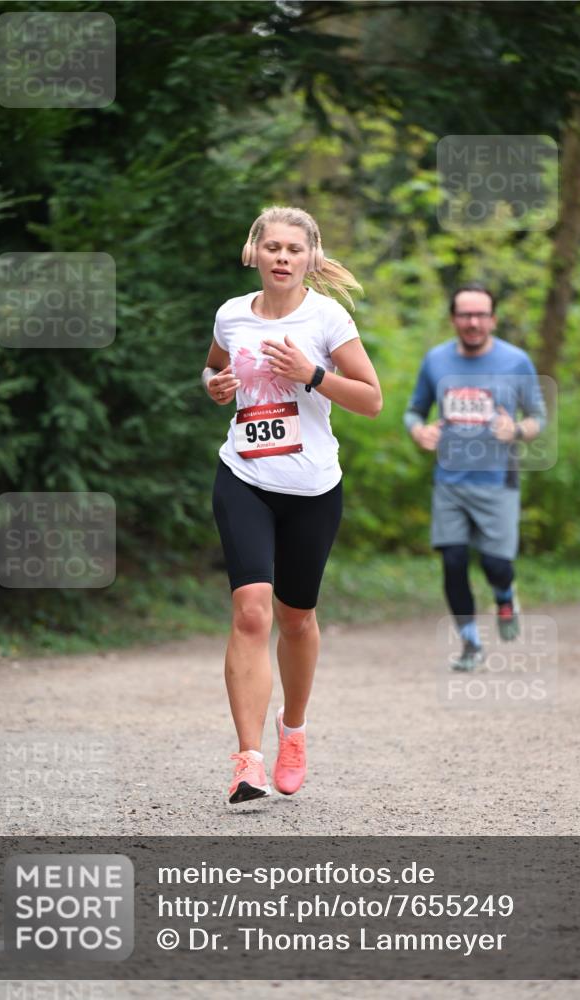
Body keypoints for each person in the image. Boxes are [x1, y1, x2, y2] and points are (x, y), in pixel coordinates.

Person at [202, 206, 382, 803]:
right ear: (254, 252)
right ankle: (248, 760)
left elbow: (371, 399)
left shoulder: (326, 318)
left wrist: (311, 375)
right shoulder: (232, 314)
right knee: (251, 610)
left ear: (310, 259)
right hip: (244, 476)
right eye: (272, 247)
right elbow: (213, 370)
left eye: (293, 250)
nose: (282, 257)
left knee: (296, 618)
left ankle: (294, 730)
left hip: (311, 489)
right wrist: (215, 387)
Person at [404, 283, 546, 671]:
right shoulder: (435, 361)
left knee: (495, 564)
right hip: (450, 481)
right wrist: (420, 431)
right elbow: (414, 410)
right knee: (452, 561)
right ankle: (470, 644)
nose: (473, 322)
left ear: (493, 320)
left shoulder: (516, 361)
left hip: (497, 480)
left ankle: (504, 594)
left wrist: (515, 431)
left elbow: (539, 418)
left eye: (481, 315)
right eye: (465, 315)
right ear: (453, 319)